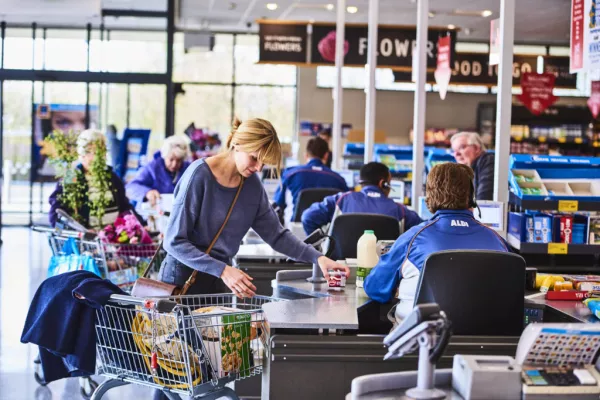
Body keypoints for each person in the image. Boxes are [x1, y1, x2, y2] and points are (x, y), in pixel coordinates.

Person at [159, 117, 349, 298]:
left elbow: (276, 235)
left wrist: (318, 258)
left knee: (216, 333)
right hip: (181, 282)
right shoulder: (199, 176)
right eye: (254, 158)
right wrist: (223, 270)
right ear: (237, 145)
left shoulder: (251, 186)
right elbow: (174, 241)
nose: (259, 168)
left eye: (264, 162)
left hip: (218, 282)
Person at [363, 163, 509, 321]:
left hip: (424, 340)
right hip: (487, 340)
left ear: (429, 195)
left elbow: (375, 289)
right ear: (471, 196)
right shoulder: (497, 240)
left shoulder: (413, 238)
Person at [48, 129, 138, 229]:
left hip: (113, 237)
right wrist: (67, 231)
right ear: (82, 155)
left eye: (100, 151)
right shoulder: (72, 176)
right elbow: (57, 209)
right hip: (86, 240)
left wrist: (141, 225)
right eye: (90, 152)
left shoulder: (111, 176)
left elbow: (124, 206)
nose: (96, 157)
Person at [301, 162, 422, 235]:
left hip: (339, 270)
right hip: (383, 273)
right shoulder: (400, 211)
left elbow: (308, 217)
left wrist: (321, 248)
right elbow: (425, 229)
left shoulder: (341, 200)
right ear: (383, 183)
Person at [273, 136, 348, 221]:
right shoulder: (339, 180)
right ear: (326, 155)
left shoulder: (290, 174)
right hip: (327, 231)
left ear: (306, 155)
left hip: (294, 230)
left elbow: (278, 204)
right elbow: (347, 207)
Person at [126, 135, 191, 206]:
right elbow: (130, 187)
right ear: (164, 156)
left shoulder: (188, 168)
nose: (174, 164)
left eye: (179, 160)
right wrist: (147, 192)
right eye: (171, 159)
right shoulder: (152, 167)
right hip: (154, 211)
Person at [450, 131, 495, 201]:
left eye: (461, 147)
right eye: (454, 151)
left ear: (476, 148)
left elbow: (484, 199)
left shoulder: (488, 161)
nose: (456, 154)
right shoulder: (467, 170)